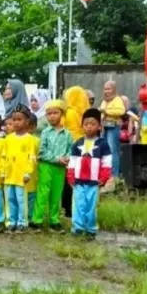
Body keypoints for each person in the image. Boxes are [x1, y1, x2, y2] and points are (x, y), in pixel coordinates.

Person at [67, 108, 112, 239]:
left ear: (99, 126)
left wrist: (104, 177)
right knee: (78, 204)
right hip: (78, 180)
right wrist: (70, 176)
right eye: (86, 124)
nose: (89, 127)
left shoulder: (102, 144)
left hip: (94, 181)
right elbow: (73, 161)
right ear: (82, 126)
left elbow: (107, 162)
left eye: (93, 124)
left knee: (91, 205)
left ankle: (90, 228)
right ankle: (78, 227)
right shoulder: (78, 144)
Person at [31, 100, 72, 233]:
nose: (52, 116)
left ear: (62, 114)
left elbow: (71, 150)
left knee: (56, 194)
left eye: (55, 113)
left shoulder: (67, 134)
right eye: (49, 114)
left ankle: (54, 220)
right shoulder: (45, 133)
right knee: (43, 192)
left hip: (60, 169)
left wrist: (67, 158)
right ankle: (36, 220)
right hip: (46, 166)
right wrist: (56, 159)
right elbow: (42, 152)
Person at [1, 104, 35, 234]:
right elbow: (4, 156)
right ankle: (10, 221)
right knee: (10, 200)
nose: (16, 122)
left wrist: (28, 172)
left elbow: (31, 157)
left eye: (19, 119)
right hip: (9, 176)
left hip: (21, 177)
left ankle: (22, 222)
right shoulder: (8, 139)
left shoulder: (29, 139)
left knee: (21, 200)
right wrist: (3, 172)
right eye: (14, 119)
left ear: (27, 121)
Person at [61, 86, 91, 218]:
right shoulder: (86, 112)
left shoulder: (70, 112)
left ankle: (67, 209)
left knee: (68, 179)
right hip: (83, 146)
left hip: (70, 146)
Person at [99, 80, 125, 191]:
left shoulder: (117, 99)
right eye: (105, 89)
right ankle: (105, 174)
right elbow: (101, 112)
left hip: (113, 127)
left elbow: (121, 111)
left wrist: (107, 111)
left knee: (113, 150)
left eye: (109, 89)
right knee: (104, 152)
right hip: (104, 127)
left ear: (114, 89)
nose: (106, 91)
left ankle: (114, 175)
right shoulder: (104, 101)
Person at [25, 113, 40, 217]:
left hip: (33, 174)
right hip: (20, 174)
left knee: (31, 196)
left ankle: (30, 217)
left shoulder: (37, 141)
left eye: (30, 127)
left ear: (34, 127)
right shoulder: (17, 139)